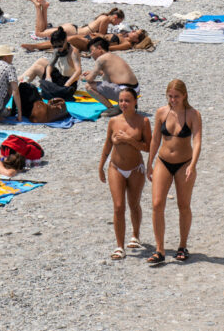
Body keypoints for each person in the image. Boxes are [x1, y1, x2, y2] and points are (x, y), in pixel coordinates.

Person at [146, 79, 202, 265]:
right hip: (163, 161)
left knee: (183, 205)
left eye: (176, 96)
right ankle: (160, 249)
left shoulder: (193, 114)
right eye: (170, 96)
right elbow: (155, 140)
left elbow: (197, 141)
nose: (173, 100)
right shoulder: (162, 112)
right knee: (157, 204)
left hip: (184, 163)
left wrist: (193, 165)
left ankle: (182, 246)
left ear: (184, 95)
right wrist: (149, 163)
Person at [98, 87, 151, 259]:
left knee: (134, 204)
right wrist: (100, 166)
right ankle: (119, 246)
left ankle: (135, 235)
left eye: (127, 101)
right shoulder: (113, 121)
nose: (123, 104)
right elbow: (107, 145)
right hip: (115, 167)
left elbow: (149, 148)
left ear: (135, 102)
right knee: (118, 206)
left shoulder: (143, 121)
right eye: (121, 101)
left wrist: (129, 140)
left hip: (136, 168)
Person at [82, 37, 138, 116]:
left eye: (92, 51)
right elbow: (110, 74)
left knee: (88, 86)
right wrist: (94, 73)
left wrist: (83, 78)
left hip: (123, 91)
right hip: (135, 91)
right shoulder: (112, 56)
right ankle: (122, 104)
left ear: (99, 48)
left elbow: (90, 79)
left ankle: (111, 108)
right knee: (106, 79)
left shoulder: (101, 59)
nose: (91, 54)